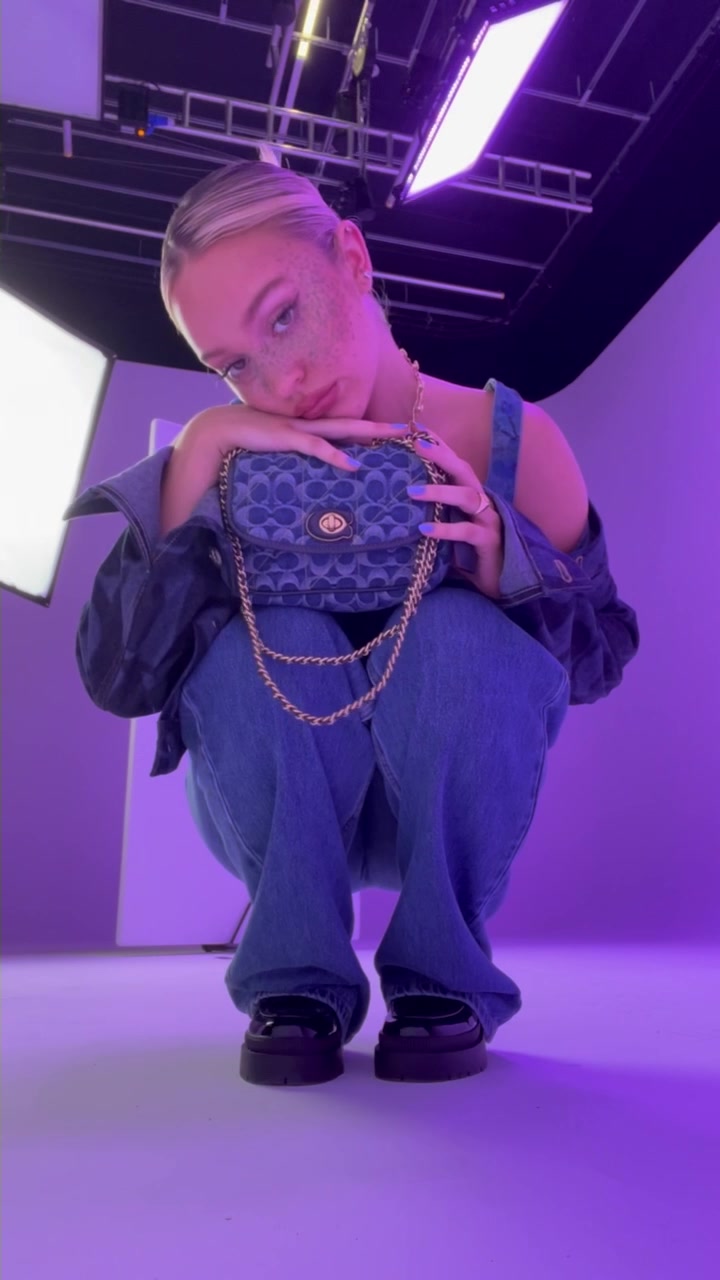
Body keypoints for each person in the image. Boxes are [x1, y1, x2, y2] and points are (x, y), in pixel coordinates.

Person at [67, 159, 640, 1089]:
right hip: (274, 807)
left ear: (353, 259)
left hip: (450, 804)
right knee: (270, 638)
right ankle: (294, 985)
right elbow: (120, 679)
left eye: (283, 315)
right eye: (233, 366)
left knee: (458, 637)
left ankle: (445, 984)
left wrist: (508, 569)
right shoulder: (225, 460)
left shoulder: (511, 440)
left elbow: (600, 657)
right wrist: (199, 450)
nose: (280, 379)